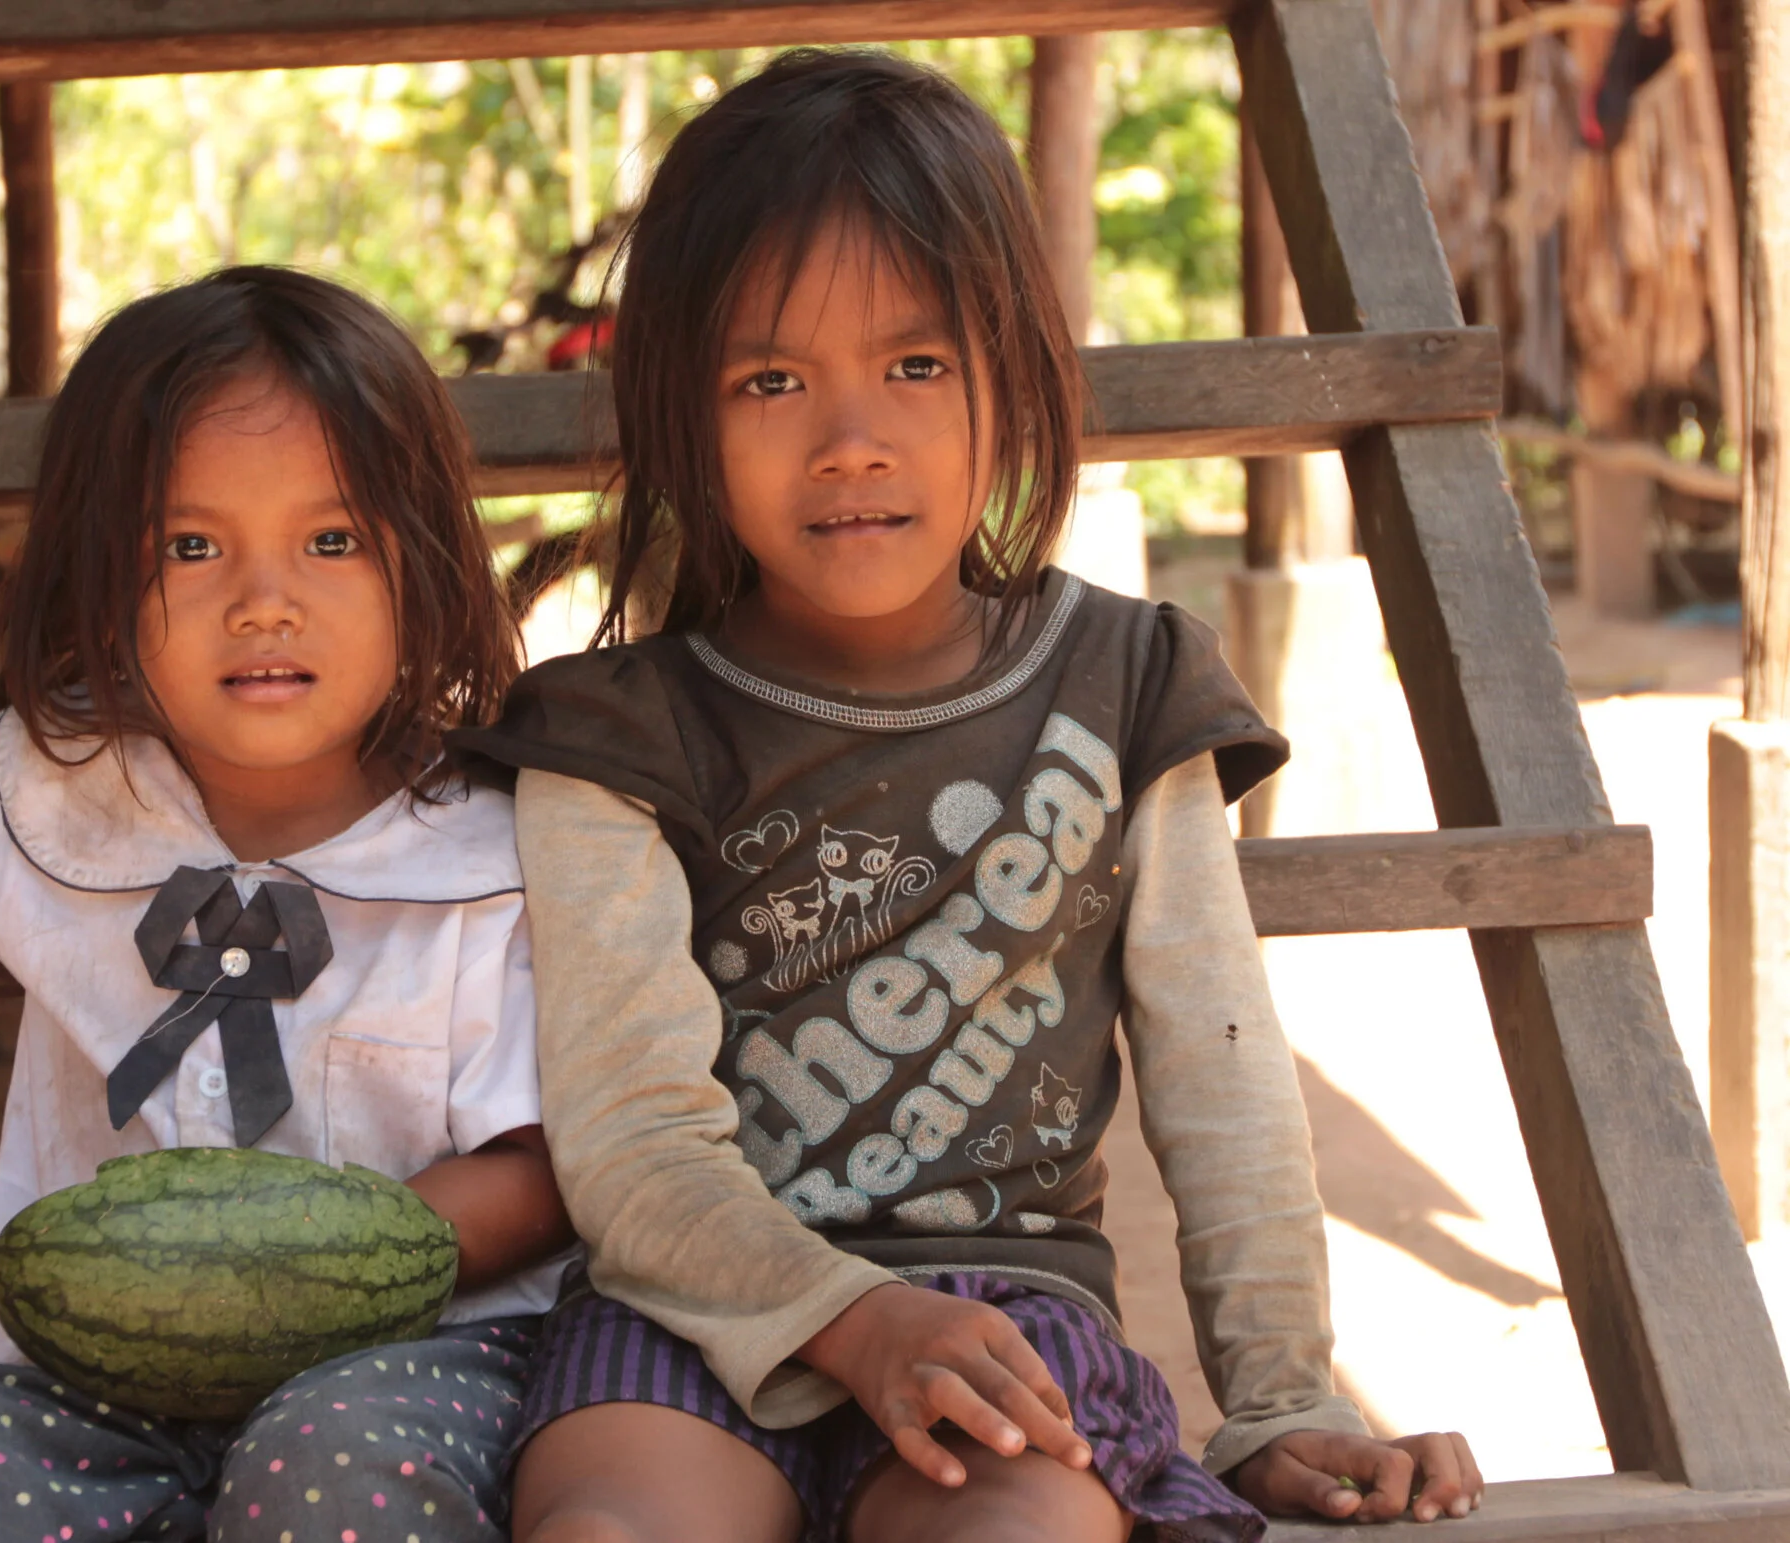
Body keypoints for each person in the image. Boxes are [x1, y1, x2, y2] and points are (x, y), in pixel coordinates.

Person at [452, 50, 1485, 1543]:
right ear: (685, 410)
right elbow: (631, 1141)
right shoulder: (619, 734)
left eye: (916, 365)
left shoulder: (1126, 682)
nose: (850, 436)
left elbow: (1223, 1062)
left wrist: (1281, 1391)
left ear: (1013, 378)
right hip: (689, 1313)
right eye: (771, 378)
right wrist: (844, 1317)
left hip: (1007, 1308)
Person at [0, 267, 574, 1543]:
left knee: (325, 1479)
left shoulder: (491, 859)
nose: (263, 598)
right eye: (190, 547)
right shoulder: (66, 795)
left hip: (413, 1370)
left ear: (419, 564)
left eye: (332, 540)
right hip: (91, 1385)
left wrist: (315, 1268)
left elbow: (541, 1171)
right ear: (101, 578)